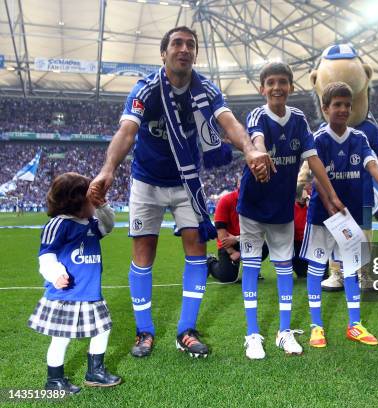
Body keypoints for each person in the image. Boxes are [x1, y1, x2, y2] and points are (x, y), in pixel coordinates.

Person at [87, 26, 272, 359]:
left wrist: (250, 149)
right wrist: (107, 170)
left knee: (197, 251)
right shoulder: (145, 89)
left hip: (187, 182)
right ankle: (145, 331)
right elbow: (127, 132)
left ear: (195, 54)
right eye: (177, 43)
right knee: (144, 253)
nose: (184, 48)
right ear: (164, 53)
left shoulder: (205, 89)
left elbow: (228, 122)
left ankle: (186, 330)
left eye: (191, 44)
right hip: (146, 181)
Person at [237, 62, 344, 360]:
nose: (277, 87)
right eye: (270, 82)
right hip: (253, 207)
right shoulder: (257, 115)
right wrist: (259, 155)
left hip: (282, 207)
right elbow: (257, 139)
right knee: (253, 266)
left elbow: (314, 160)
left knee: (284, 268)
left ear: (291, 87)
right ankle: (252, 334)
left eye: (282, 82)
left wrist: (332, 195)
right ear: (262, 89)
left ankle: (284, 332)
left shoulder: (298, 119)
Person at [300, 81, 378, 348]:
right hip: (322, 215)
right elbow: (315, 176)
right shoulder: (318, 139)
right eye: (337, 105)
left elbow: (373, 165)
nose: (343, 109)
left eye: (347, 105)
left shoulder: (359, 138)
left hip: (349, 216)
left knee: (352, 269)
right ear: (325, 108)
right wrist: (330, 201)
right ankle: (316, 326)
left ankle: (354, 325)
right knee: (317, 268)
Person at [27, 172, 120, 394]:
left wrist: (103, 205)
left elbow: (108, 226)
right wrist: (55, 273)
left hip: (90, 293)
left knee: (102, 330)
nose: (93, 203)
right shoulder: (58, 225)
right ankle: (54, 380)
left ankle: (95, 372)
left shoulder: (90, 223)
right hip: (66, 295)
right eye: (91, 198)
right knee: (61, 339)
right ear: (77, 200)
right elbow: (46, 256)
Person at [208, 178, 269, 283]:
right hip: (227, 243)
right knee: (227, 277)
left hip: (243, 240)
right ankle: (210, 262)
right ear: (238, 185)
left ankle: (250, 269)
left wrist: (237, 239)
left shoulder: (257, 202)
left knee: (264, 248)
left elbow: (260, 232)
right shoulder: (225, 200)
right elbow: (220, 230)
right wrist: (231, 252)